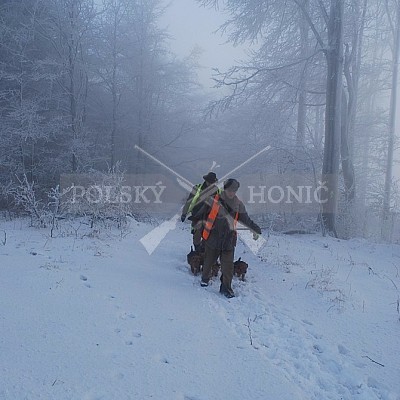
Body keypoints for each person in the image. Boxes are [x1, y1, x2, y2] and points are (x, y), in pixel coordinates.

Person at [193, 178, 261, 298]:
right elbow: (201, 215)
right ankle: (205, 279)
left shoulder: (238, 205)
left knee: (228, 267)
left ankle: (226, 289)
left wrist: (255, 229)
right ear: (225, 189)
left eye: (234, 190)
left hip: (228, 241)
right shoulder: (213, 201)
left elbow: (245, 220)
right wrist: (196, 226)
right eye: (230, 190)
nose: (231, 192)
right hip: (212, 239)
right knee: (208, 262)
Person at [181, 172, 220, 252]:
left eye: (212, 182)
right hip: (197, 216)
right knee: (197, 235)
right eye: (209, 182)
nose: (210, 184)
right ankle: (197, 251)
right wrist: (184, 213)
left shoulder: (218, 191)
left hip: (211, 217)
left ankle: (205, 252)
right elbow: (189, 201)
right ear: (206, 181)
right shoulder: (197, 188)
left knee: (209, 235)